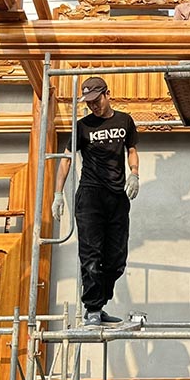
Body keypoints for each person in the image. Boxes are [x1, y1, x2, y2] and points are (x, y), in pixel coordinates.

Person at [51, 76, 140, 327]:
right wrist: (58, 194)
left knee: (116, 259)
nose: (93, 106)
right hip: (90, 195)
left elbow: (132, 150)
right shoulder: (82, 126)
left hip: (117, 196)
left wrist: (134, 173)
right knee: (91, 255)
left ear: (107, 94)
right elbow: (66, 159)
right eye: (89, 103)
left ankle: (99, 304)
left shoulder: (125, 121)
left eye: (96, 100)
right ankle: (93, 308)